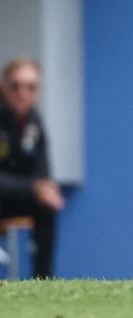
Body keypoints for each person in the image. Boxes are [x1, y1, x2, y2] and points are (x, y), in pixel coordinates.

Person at [0, 58, 64, 279]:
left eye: (30, 87)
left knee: (46, 204)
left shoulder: (34, 121)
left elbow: (42, 169)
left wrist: (46, 189)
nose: (22, 93)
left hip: (14, 196)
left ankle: (43, 278)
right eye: (15, 85)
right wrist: (33, 187)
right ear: (3, 86)